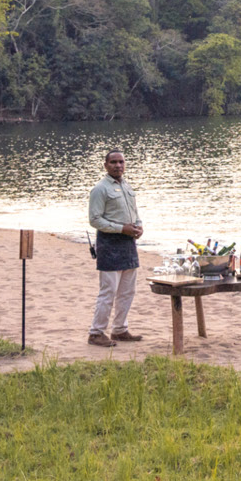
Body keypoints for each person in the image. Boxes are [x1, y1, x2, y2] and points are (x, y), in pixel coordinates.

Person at [87, 149, 144, 347]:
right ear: (105, 165)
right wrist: (122, 229)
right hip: (109, 244)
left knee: (128, 291)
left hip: (129, 243)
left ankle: (120, 329)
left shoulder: (126, 186)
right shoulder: (100, 189)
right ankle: (96, 333)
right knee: (108, 291)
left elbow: (134, 213)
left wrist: (139, 225)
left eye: (121, 162)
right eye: (113, 162)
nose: (118, 165)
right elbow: (95, 220)